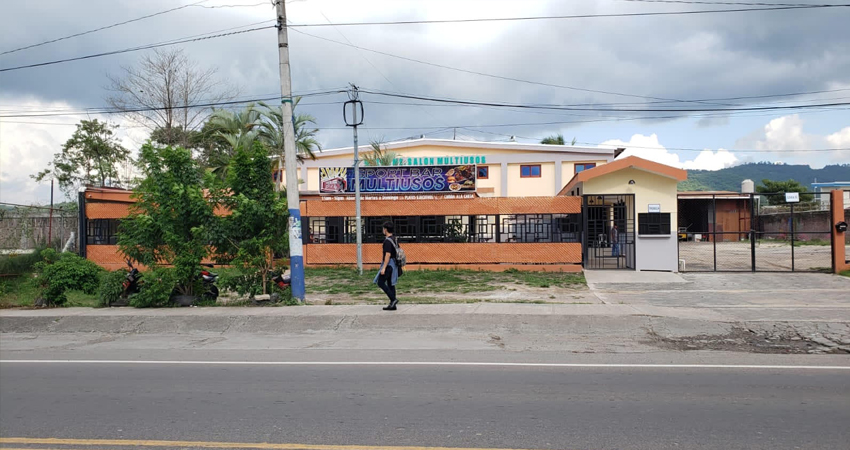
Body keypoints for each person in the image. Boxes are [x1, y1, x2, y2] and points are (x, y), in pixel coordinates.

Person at [374, 221, 400, 311]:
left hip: (389, 265)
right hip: (394, 265)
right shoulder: (394, 239)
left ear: (385, 230)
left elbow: (387, 255)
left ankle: (393, 299)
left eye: (383, 229)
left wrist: (384, 268)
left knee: (380, 282)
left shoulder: (387, 241)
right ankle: (393, 305)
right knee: (390, 284)